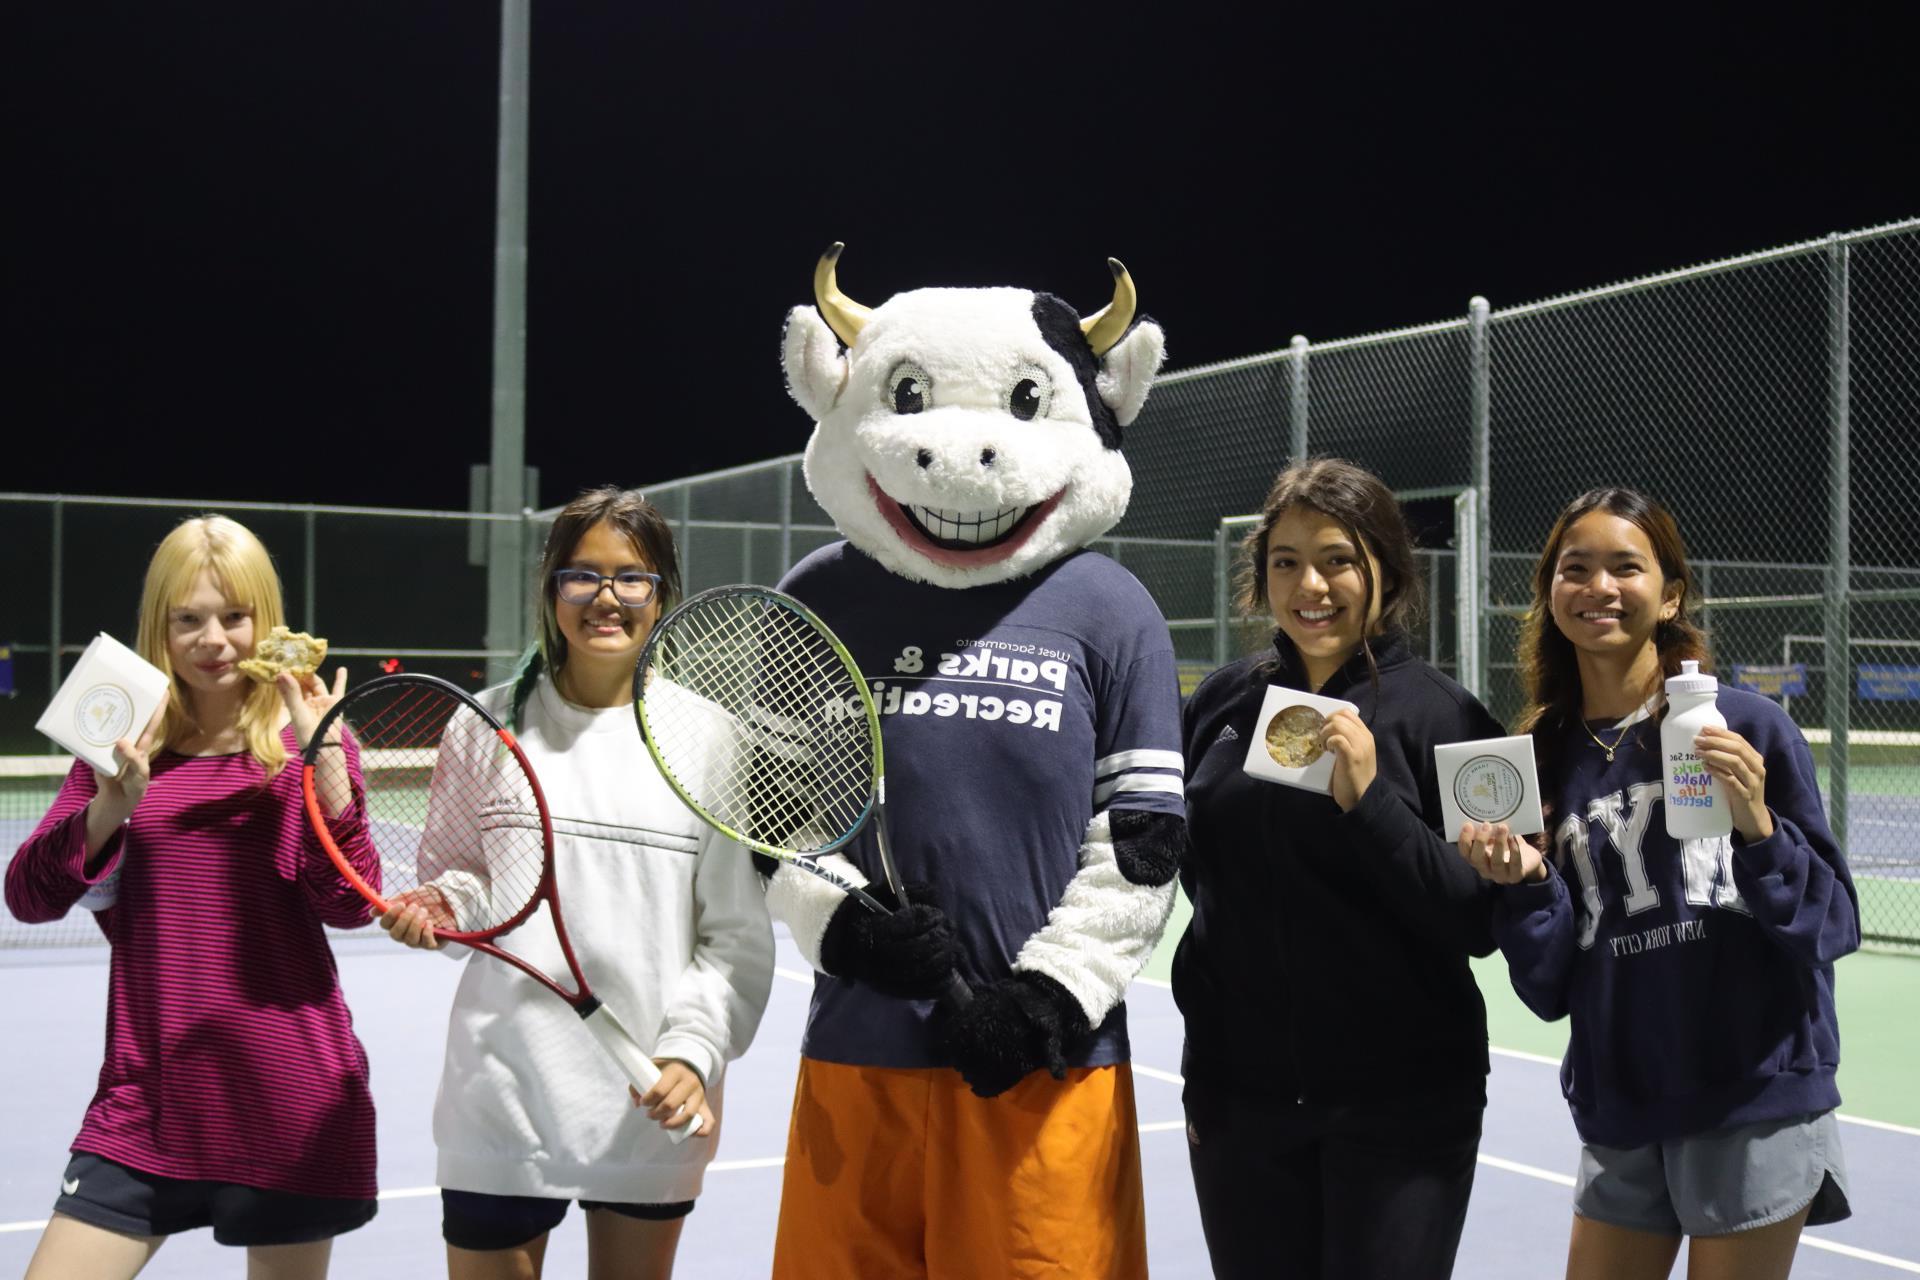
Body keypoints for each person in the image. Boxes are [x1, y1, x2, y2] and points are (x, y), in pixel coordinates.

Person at [377, 486, 774, 1280]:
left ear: (663, 594)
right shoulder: (484, 724)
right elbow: (467, 880)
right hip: (502, 1098)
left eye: (631, 577)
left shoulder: (711, 740)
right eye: (580, 575)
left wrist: (691, 1057)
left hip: (649, 1103)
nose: (605, 596)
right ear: (551, 588)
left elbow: (732, 934)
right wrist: (442, 904)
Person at [1459, 487, 1856, 1280]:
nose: (1599, 587)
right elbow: (1548, 988)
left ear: (1669, 594)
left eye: (1625, 567)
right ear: (1549, 593)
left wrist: (1757, 826)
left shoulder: (1743, 726)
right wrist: (1529, 883)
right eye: (1576, 569)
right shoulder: (1534, 760)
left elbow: (1830, 925)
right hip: (1623, 1102)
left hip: (1749, 1093)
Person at [6, 514, 376, 1280]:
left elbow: (350, 905)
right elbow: (28, 899)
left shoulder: (311, 742)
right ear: (159, 629)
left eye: (235, 616)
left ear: (265, 621)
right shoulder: (123, 748)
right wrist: (112, 803)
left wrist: (326, 768)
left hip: (288, 1093)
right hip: (148, 1094)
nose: (216, 639)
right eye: (189, 619)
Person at [1174, 458, 1505, 1280]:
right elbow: (1201, 876)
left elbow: (1482, 921)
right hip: (1239, 1103)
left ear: (1384, 570)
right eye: (1285, 561)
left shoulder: (1456, 717)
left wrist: (1370, 804)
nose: (1310, 585)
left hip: (1402, 1109)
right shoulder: (1220, 703)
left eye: (1337, 560)